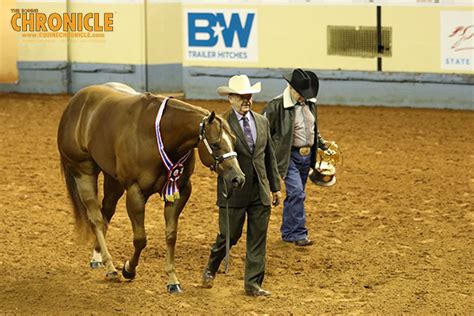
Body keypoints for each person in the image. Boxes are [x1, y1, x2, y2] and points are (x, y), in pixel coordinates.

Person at [202, 74, 281, 297]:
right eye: (241, 96)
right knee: (229, 236)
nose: (246, 99)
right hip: (234, 191)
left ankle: (253, 284)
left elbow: (269, 158)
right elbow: (213, 157)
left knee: (258, 238)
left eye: (249, 96)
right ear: (230, 98)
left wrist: (275, 187)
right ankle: (212, 265)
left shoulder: (262, 121)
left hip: (260, 190)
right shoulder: (221, 124)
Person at [262, 68, 332, 247]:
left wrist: (323, 145)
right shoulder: (275, 106)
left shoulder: (310, 104)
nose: (303, 97)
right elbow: (264, 132)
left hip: (306, 157)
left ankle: (288, 232)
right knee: (297, 193)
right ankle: (300, 233)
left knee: (296, 195)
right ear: (290, 88)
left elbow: (313, 130)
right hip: (288, 157)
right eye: (301, 93)